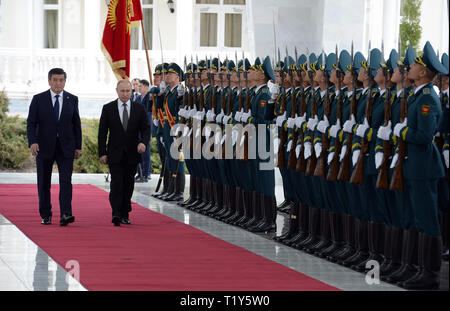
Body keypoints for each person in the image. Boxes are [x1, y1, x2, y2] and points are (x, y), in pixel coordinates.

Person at [26, 68, 82, 226]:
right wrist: (33, 142)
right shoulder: (38, 99)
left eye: (61, 80)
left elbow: (76, 124)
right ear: (49, 81)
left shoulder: (72, 99)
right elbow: (31, 123)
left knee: (66, 181)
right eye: (55, 80)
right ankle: (46, 214)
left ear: (65, 81)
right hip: (43, 146)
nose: (58, 83)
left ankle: (66, 214)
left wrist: (78, 146)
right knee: (44, 182)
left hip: (66, 147)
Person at [98, 79, 150, 226]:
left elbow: (146, 129)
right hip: (114, 153)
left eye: (128, 91)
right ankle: (116, 213)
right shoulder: (108, 108)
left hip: (133, 153)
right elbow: (102, 132)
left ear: (131, 92)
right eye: (122, 91)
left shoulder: (139, 108)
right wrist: (102, 152)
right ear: (117, 91)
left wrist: (143, 142)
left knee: (128, 184)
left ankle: (125, 212)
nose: (125, 94)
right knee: (116, 183)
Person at [135, 79, 152, 183]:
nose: (139, 88)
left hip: (146, 127)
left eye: (140, 86)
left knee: (145, 150)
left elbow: (148, 112)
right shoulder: (137, 98)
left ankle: (146, 173)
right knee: (138, 150)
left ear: (146, 87)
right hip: (137, 127)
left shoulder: (149, 97)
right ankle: (139, 172)